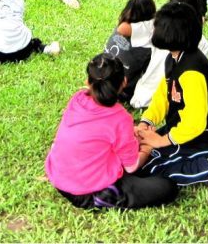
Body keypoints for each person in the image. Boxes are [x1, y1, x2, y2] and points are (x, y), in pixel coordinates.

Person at [45, 55, 179, 210]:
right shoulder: (120, 118)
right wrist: (147, 148)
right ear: (124, 82)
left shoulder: (78, 98)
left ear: (87, 82)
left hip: (58, 178)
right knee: (168, 187)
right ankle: (102, 198)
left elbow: (98, 132)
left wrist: (132, 132)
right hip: (87, 193)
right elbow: (131, 167)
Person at [137, 1, 208, 190]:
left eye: (157, 26)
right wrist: (147, 121)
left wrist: (161, 140)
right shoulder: (174, 58)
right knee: (145, 151)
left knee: (154, 170)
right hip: (182, 129)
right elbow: (164, 94)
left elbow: (195, 122)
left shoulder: (192, 72)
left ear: (170, 34)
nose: (154, 29)